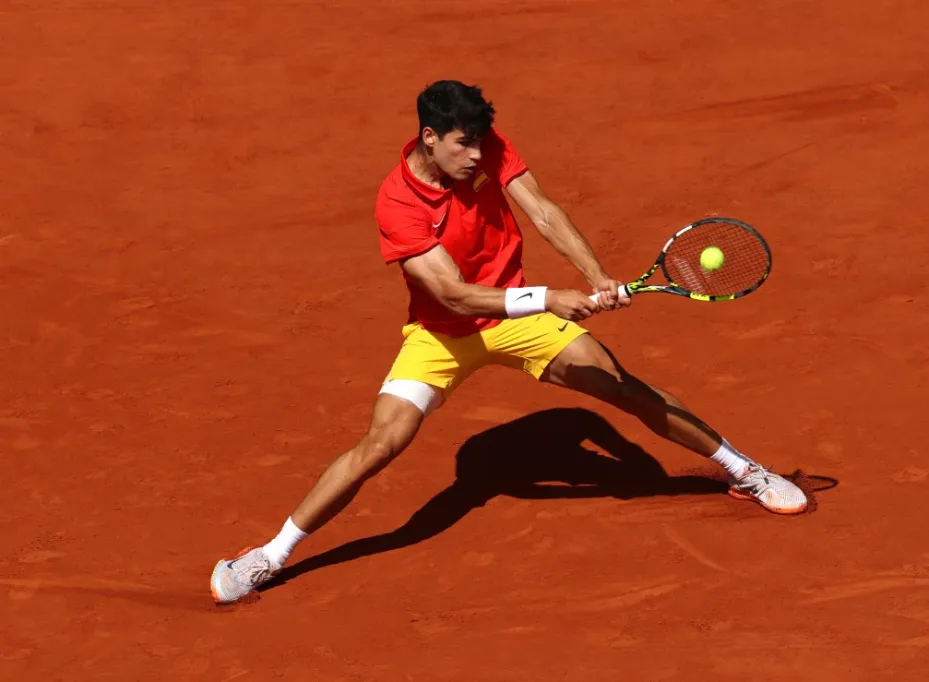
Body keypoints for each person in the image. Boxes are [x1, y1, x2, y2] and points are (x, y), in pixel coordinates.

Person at [210, 80, 806, 604]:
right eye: (463, 145)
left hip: (520, 323)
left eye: (479, 143)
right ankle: (270, 554)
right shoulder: (396, 204)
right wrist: (549, 297)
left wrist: (596, 276)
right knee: (381, 445)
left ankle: (743, 469)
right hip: (442, 335)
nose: (477, 155)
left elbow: (543, 213)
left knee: (625, 390)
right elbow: (454, 296)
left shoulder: (485, 146)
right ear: (428, 138)